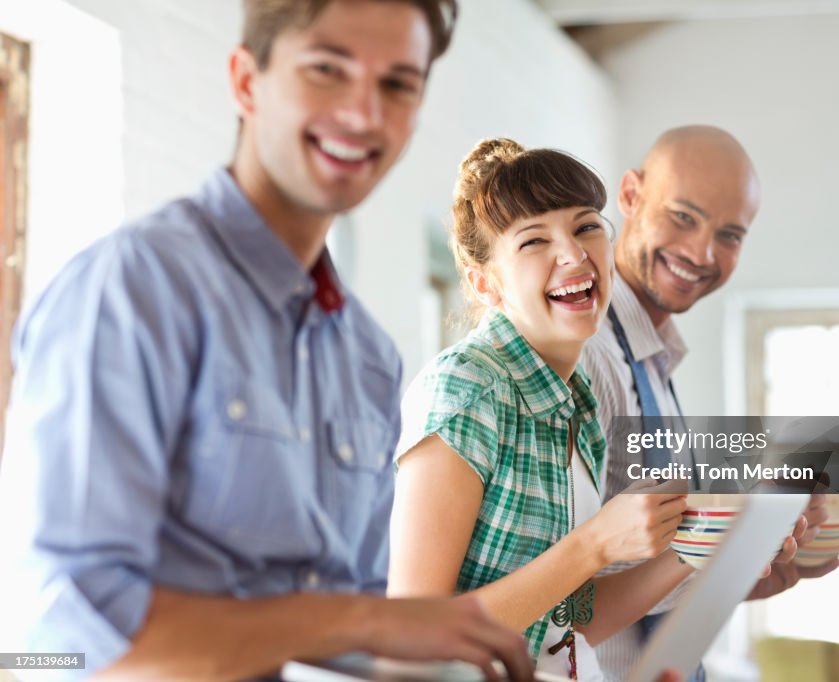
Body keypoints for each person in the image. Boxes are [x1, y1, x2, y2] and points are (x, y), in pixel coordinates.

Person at [0, 2, 537, 680]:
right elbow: (55, 637)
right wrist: (368, 622)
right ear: (247, 81)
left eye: (398, 84)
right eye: (326, 69)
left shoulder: (368, 359)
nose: (364, 113)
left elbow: (351, 635)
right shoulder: (132, 291)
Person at [387, 138, 697, 682]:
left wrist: (697, 547)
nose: (575, 255)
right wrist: (596, 543)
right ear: (487, 284)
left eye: (585, 226)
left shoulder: (575, 402)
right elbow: (412, 639)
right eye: (534, 241)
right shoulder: (467, 389)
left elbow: (564, 623)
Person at [580, 125, 839, 682]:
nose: (702, 252)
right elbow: (561, 597)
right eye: (683, 216)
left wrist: (746, 575)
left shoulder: (652, 361)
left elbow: (641, 572)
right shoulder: (589, 355)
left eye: (730, 234)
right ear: (630, 196)